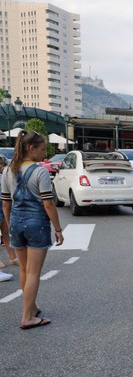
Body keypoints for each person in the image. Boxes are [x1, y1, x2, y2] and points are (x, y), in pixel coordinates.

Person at [2, 130, 64, 329]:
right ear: (31, 148)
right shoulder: (40, 172)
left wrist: (11, 225)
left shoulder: (7, 170)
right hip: (36, 224)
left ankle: (32, 306)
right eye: (43, 149)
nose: (44, 154)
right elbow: (48, 204)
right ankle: (27, 317)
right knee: (34, 273)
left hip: (17, 223)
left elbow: (5, 203)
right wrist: (58, 228)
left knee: (24, 268)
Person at [0, 155, 16, 279]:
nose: (0, 166)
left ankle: (12, 257)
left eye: (1, 163)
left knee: (6, 233)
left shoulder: (5, 174)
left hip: (3, 203)